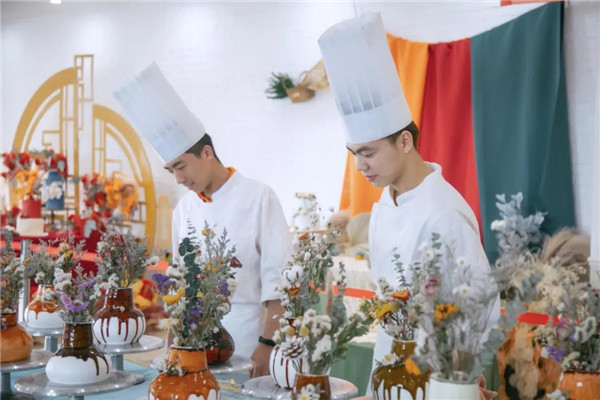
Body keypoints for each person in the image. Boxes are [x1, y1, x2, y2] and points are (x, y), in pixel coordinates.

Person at [319, 13, 498, 399]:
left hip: (436, 377)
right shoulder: (384, 205)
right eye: (353, 154)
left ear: (404, 141)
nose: (360, 166)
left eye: (368, 153)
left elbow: (481, 308)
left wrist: (462, 377)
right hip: (386, 369)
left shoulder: (445, 211)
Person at [114, 63, 290, 377]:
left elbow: (279, 284)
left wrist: (267, 344)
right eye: (171, 170)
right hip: (191, 344)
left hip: (248, 337)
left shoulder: (259, 198)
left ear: (207, 152)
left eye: (181, 166)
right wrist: (172, 344)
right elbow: (179, 284)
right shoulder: (184, 209)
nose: (178, 178)